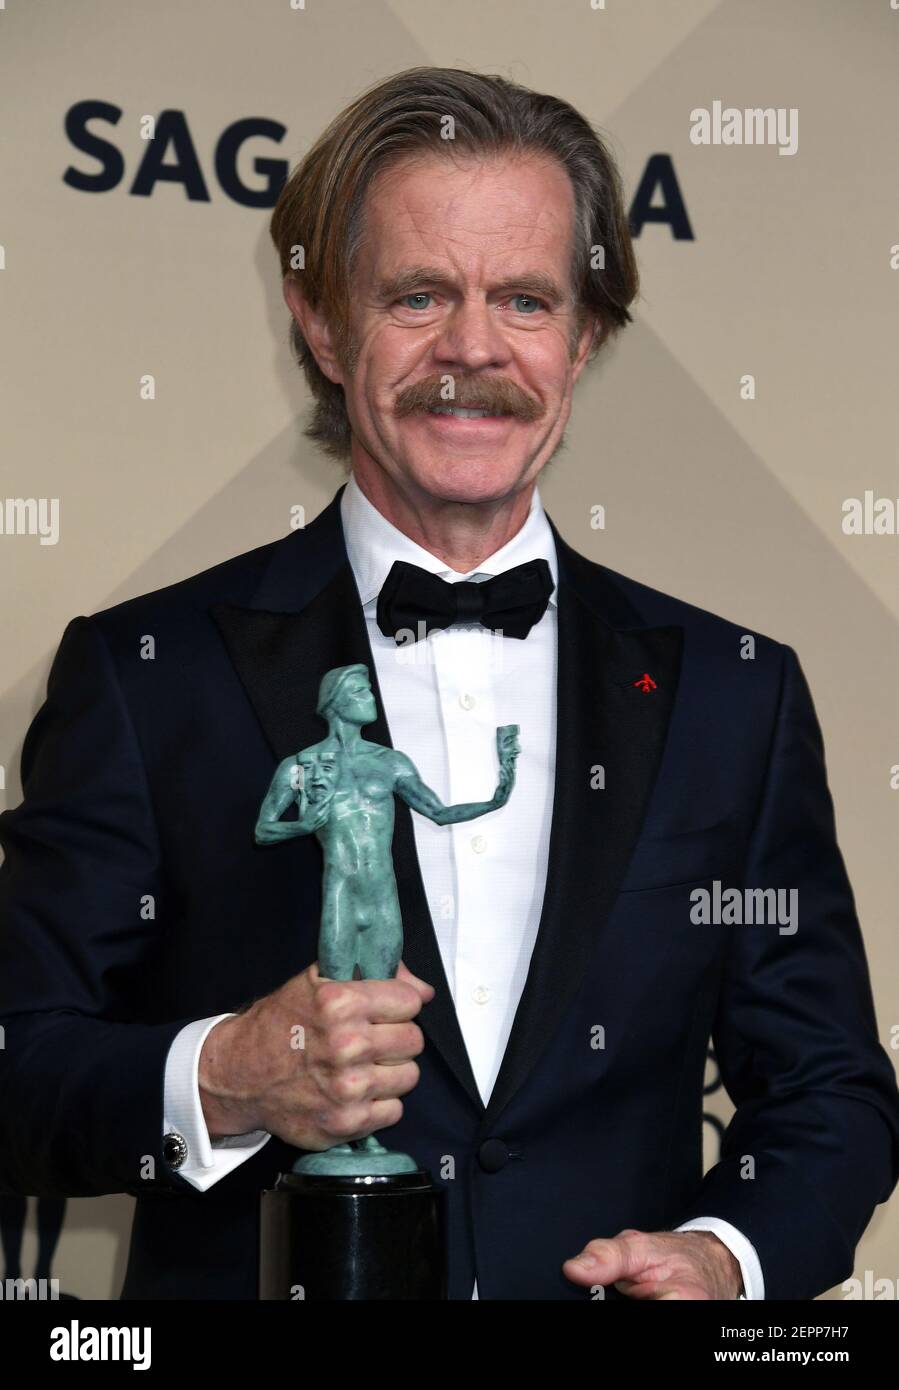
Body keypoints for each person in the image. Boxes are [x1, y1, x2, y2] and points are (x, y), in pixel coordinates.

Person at [1, 66, 897, 1301]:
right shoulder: (148, 674)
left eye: (525, 300)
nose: (472, 349)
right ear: (318, 320)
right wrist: (220, 1076)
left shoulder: (732, 697)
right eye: (417, 295)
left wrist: (722, 1258)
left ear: (583, 336)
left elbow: (827, 1088)